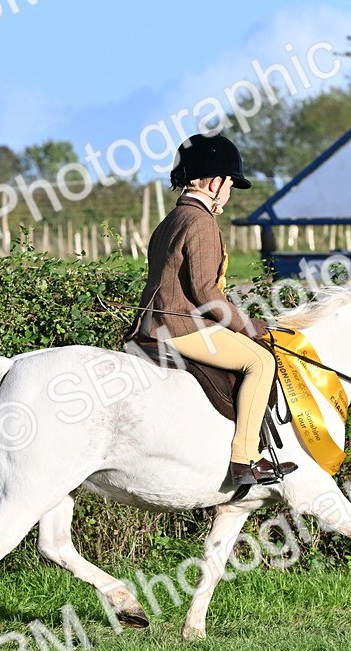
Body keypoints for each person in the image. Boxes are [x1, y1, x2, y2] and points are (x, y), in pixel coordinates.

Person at [126, 133, 297, 486]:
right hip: (178, 328)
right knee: (260, 361)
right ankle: (245, 457)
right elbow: (205, 291)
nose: (231, 193)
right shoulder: (201, 222)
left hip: (153, 321)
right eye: (231, 184)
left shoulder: (172, 220)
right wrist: (247, 325)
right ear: (215, 181)